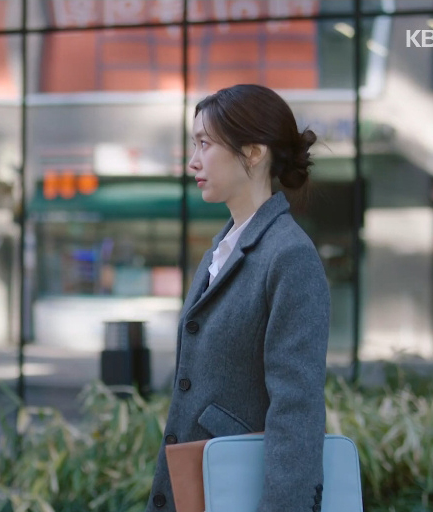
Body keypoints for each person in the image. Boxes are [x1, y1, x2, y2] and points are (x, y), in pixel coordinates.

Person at [145, 84, 330, 512]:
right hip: (201, 485)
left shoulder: (289, 255)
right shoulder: (221, 249)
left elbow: (296, 409)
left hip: (241, 493)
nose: (193, 161)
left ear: (253, 152)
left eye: (205, 144)